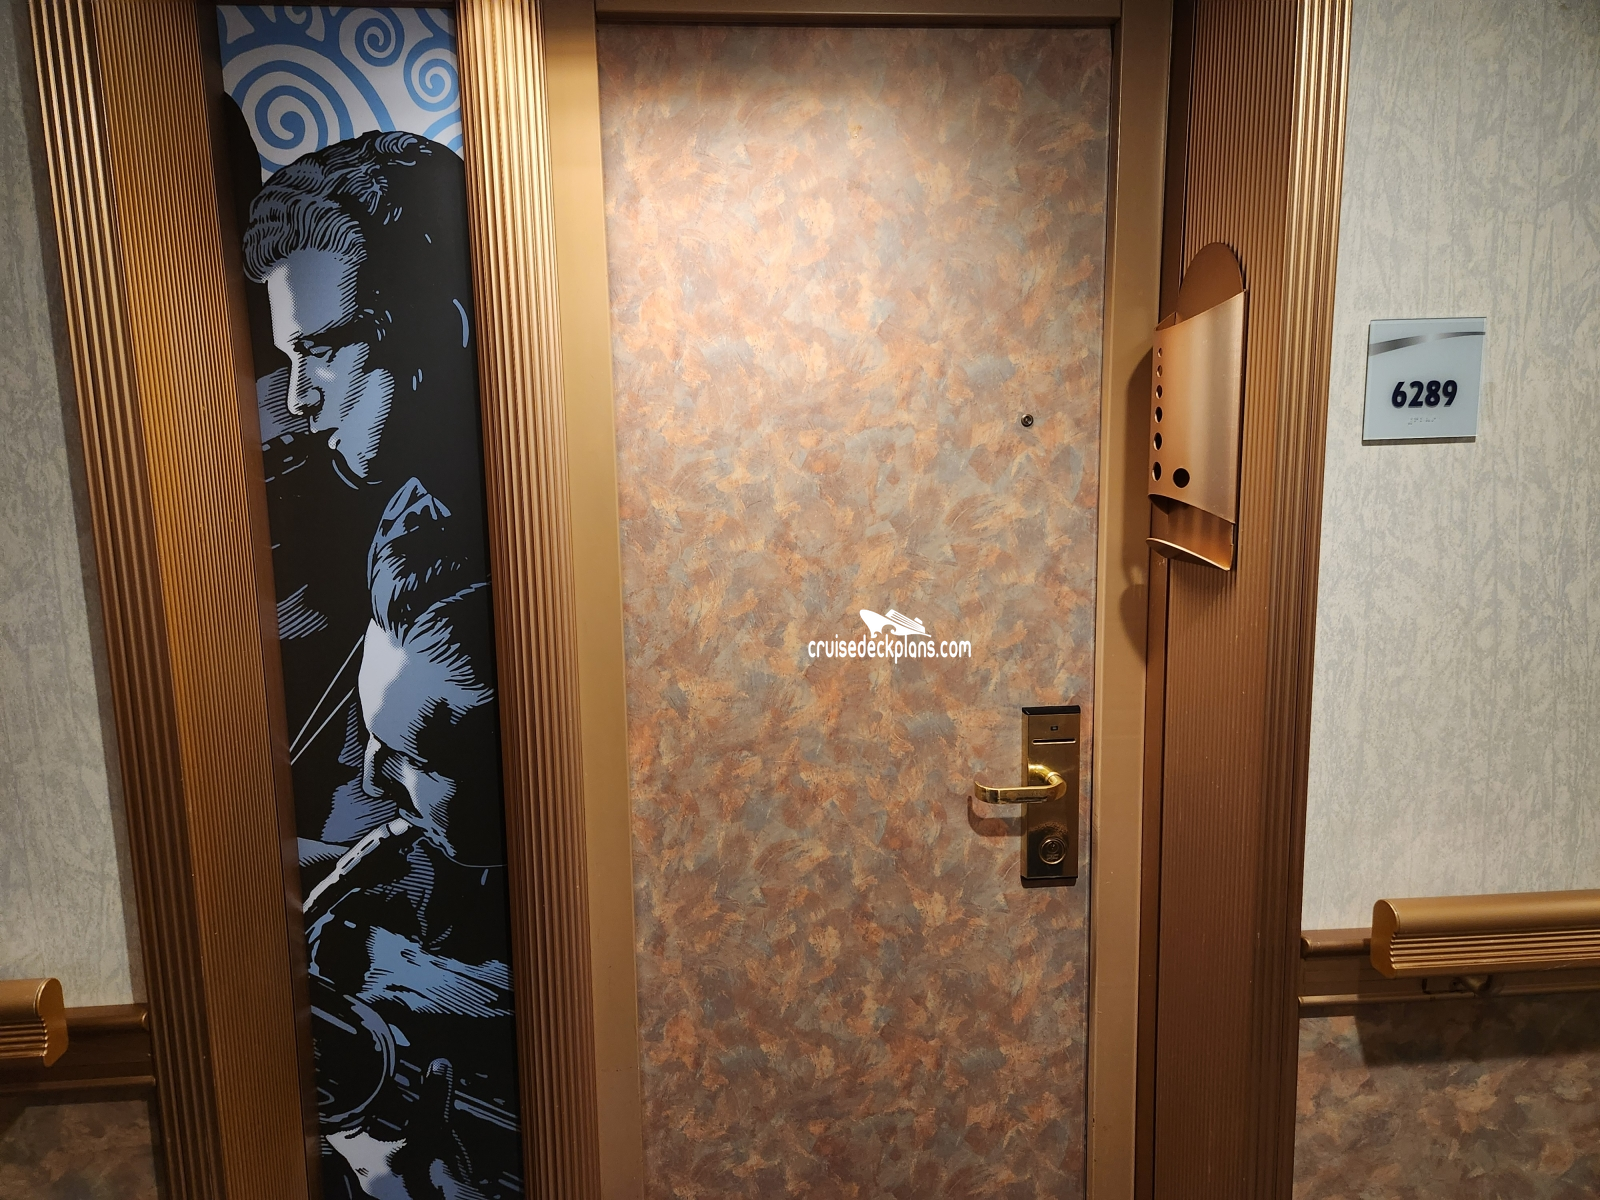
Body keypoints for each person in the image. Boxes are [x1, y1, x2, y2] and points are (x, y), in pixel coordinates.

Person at [239, 129, 492, 852]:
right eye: (288, 358)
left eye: (319, 352)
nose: (297, 399)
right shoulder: (365, 512)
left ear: (440, 331)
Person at [304, 481, 520, 1199]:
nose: (373, 780)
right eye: (370, 736)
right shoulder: (422, 854)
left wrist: (403, 975)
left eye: (412, 756)